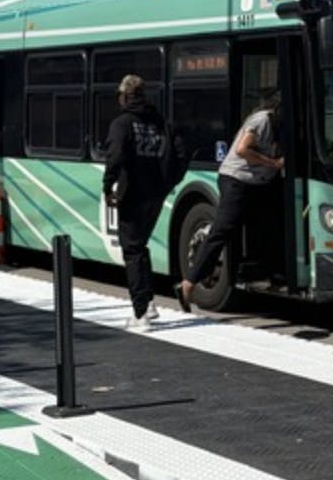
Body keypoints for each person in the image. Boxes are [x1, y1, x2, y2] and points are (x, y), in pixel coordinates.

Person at [176, 93, 284, 312]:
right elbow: (242, 150)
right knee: (223, 228)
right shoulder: (263, 119)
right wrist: (272, 163)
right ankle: (188, 284)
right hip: (236, 179)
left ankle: (266, 274)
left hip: (259, 182)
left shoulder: (280, 126)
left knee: (269, 224)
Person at [102, 75, 180, 330]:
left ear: (124, 97)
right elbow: (181, 150)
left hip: (132, 192)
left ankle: (140, 314)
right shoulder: (161, 122)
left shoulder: (122, 123)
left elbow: (114, 156)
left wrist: (108, 186)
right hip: (156, 193)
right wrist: (169, 182)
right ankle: (150, 302)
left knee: (132, 250)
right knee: (141, 246)